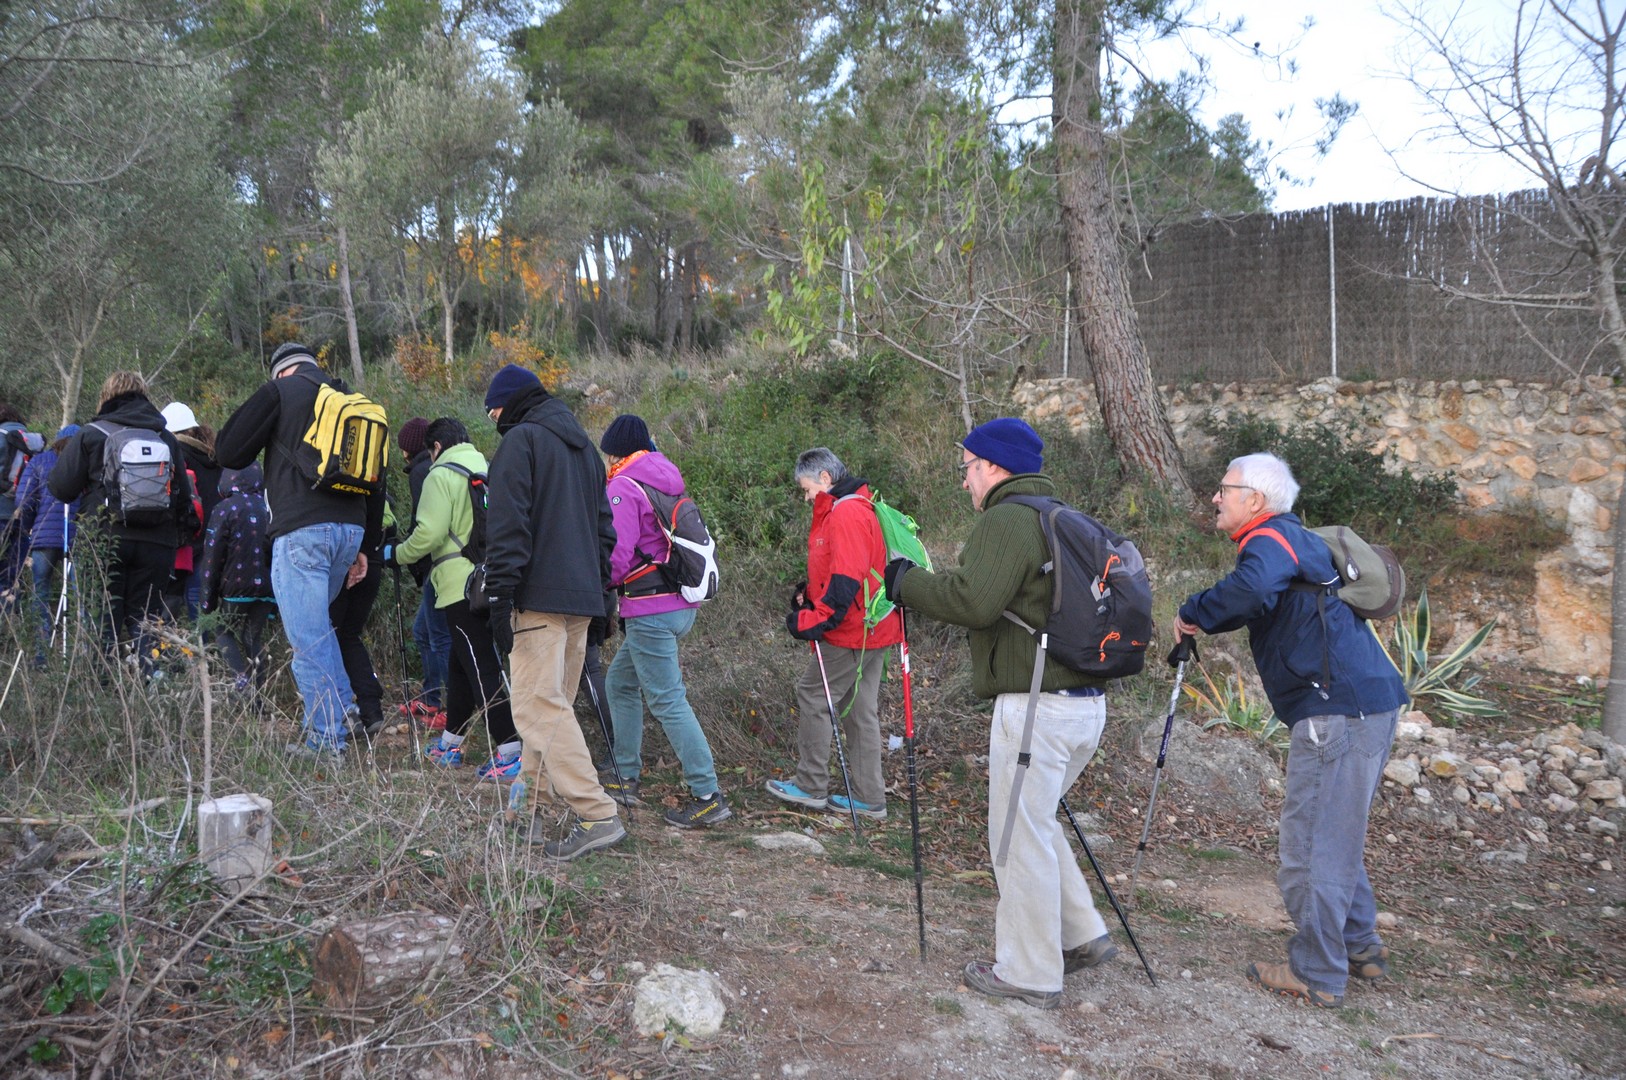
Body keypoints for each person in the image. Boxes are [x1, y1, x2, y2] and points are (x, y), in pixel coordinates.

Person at [885, 418, 1117, 1010]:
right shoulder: (1062, 517)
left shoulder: (1008, 519)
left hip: (1035, 707)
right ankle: (1080, 934)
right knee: (1036, 822)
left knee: (1016, 837)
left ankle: (1029, 972)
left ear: (992, 465)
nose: (964, 480)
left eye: (966, 467)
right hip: (1085, 706)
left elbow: (973, 601)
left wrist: (906, 583)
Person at [1174, 452, 1409, 1009]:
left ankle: (1317, 972)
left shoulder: (1270, 539)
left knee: (1310, 845)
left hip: (1336, 711)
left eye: (1224, 489)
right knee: (1335, 833)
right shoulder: (1294, 540)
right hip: (1366, 703)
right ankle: (1359, 945)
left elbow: (1251, 591)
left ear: (1255, 500)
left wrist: (1194, 611)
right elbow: (1259, 595)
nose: (1215, 498)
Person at [216, 342, 386, 759]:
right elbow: (376, 480)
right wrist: (365, 545)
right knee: (320, 629)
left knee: (307, 639)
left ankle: (326, 742)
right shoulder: (351, 399)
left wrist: (267, 401)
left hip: (302, 532)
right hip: (350, 532)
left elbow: (228, 451)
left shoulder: (281, 391)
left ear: (281, 371)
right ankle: (343, 711)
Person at [482, 364, 624, 859]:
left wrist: (500, 596)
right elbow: (605, 530)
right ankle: (528, 814)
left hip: (537, 598)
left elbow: (507, 527)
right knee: (551, 709)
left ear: (510, 403)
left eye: (493, 410)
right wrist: (602, 595)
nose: (493, 418)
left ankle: (597, 814)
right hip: (581, 600)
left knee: (537, 708)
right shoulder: (585, 450)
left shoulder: (520, 442)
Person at [597, 414, 730, 828]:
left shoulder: (623, 486)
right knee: (620, 683)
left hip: (650, 610)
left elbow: (617, 558)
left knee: (668, 701)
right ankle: (624, 774)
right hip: (679, 604)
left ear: (614, 452)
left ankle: (707, 795)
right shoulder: (664, 477)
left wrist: (591, 583)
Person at [767, 447, 902, 821]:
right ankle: (870, 798)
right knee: (858, 711)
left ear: (825, 478)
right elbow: (846, 570)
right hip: (873, 627)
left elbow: (846, 580)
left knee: (813, 695)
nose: (807, 497)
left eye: (807, 489)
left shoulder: (845, 512)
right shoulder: (860, 506)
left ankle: (811, 785)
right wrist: (809, 596)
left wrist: (814, 620)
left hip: (851, 631)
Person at [386, 417, 523, 779]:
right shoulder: (484, 467)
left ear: (436, 447)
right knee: (460, 665)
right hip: (489, 578)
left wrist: (396, 554)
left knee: (480, 665)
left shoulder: (441, 474)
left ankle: (511, 751)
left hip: (458, 584)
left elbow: (429, 534)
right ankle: (451, 743)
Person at [49, 372, 199, 676]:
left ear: (106, 396)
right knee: (147, 621)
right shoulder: (165, 437)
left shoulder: (91, 434)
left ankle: (102, 690)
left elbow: (61, 488)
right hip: (157, 543)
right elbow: (184, 497)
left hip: (103, 539)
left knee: (102, 619)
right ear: (143, 395)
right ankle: (152, 686)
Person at [199, 464, 275, 691]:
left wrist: (207, 601)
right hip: (267, 588)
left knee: (223, 632)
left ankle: (242, 687)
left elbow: (212, 557)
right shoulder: (269, 507)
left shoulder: (224, 508)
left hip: (236, 587)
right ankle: (259, 697)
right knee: (252, 637)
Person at [396, 416, 451, 729]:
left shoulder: (421, 472)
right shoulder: (434, 466)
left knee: (439, 636)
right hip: (442, 563)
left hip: (436, 564)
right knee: (424, 632)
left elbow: (423, 522)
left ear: (408, 448)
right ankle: (432, 699)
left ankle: (451, 708)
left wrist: (407, 555)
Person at [13, 424, 80, 655]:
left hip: (43, 537)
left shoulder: (39, 461)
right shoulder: (85, 462)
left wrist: (27, 529)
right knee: (80, 596)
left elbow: (24, 499)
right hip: (77, 537)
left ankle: (40, 655)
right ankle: (80, 653)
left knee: (40, 594)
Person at [159, 402, 222, 624]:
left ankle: (168, 642)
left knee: (169, 604)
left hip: (185, 537)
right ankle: (204, 641)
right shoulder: (214, 456)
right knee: (200, 604)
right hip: (213, 536)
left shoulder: (174, 454)